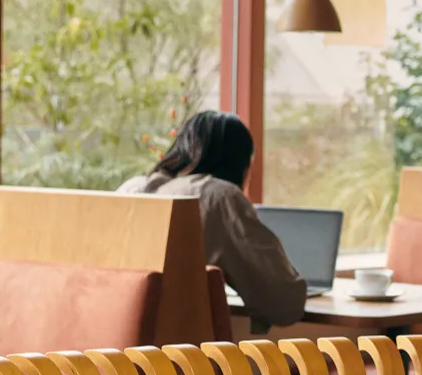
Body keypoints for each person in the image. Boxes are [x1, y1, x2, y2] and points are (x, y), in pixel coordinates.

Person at [118, 110, 307, 331]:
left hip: (109, 356)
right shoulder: (217, 196)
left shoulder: (133, 190)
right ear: (241, 164)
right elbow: (285, 305)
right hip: (181, 358)